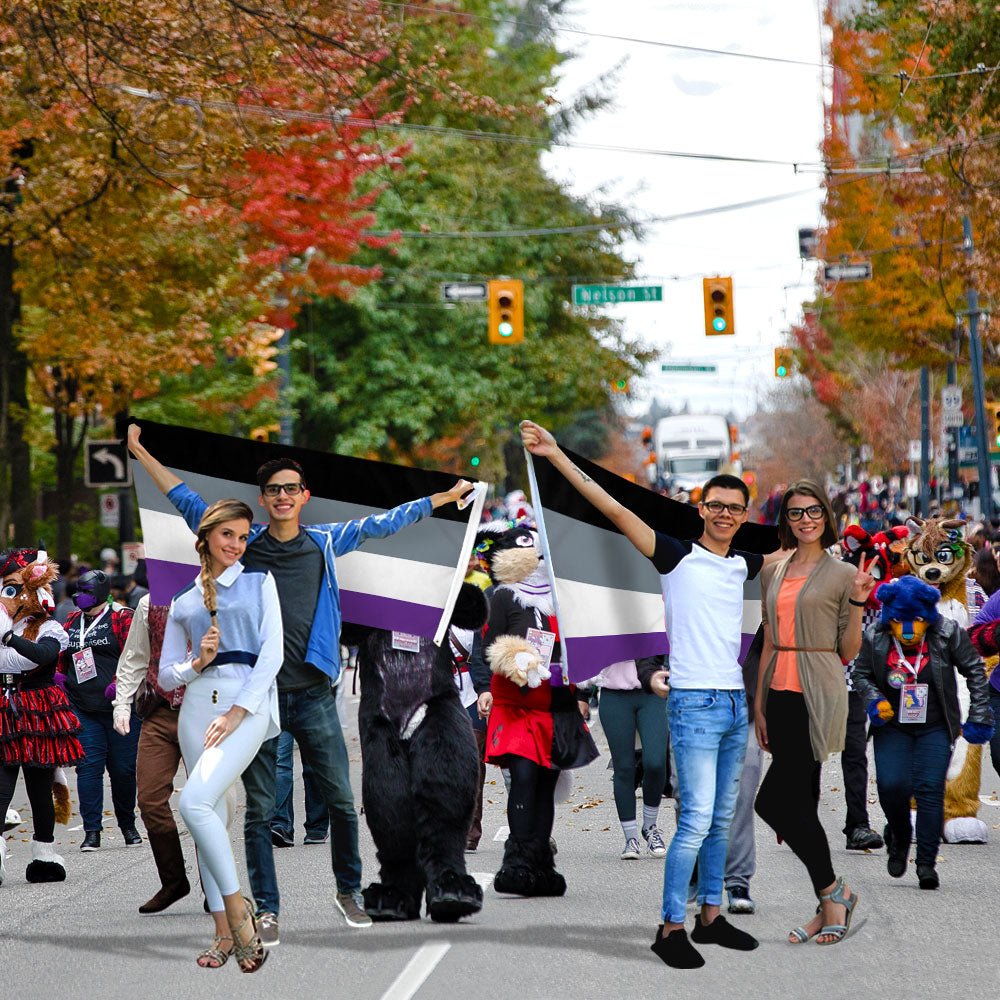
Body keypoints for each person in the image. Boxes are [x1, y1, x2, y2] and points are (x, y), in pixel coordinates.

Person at [127, 423, 472, 942]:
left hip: (313, 695)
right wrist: (138, 452)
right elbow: (185, 499)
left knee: (338, 798)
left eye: (292, 489)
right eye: (274, 491)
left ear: (305, 496)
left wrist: (442, 497)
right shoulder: (244, 545)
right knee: (261, 810)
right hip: (257, 699)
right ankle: (266, 909)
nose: (283, 496)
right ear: (262, 500)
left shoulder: (325, 543)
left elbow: (385, 523)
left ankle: (348, 892)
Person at [519, 419, 763, 970]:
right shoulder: (675, 556)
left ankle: (711, 916)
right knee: (697, 819)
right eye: (716, 505)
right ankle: (670, 926)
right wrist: (557, 455)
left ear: (745, 515)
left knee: (721, 817)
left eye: (735, 507)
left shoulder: (743, 564)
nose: (725, 514)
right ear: (702, 509)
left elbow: (797, 556)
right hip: (694, 703)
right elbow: (611, 507)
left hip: (733, 704)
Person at [158, 498, 279, 971]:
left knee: (193, 802)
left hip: (243, 707)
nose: (236, 544)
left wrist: (236, 712)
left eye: (243, 536)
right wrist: (197, 663)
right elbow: (166, 677)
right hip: (195, 710)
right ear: (207, 536)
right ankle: (222, 936)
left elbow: (272, 654)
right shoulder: (184, 600)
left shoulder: (259, 582)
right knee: (211, 816)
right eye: (228, 534)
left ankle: (239, 917)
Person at [754, 480, 874, 946]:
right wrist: (760, 704)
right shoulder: (773, 569)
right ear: (786, 520)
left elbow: (846, 650)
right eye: (796, 513)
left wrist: (860, 602)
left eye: (813, 512)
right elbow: (768, 638)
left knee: (771, 802)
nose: (805, 520)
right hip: (777, 692)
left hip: (817, 690)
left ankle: (833, 892)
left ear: (827, 517)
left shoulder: (843, 573)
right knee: (799, 804)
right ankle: (828, 902)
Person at [856, 575, 993, 889]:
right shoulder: (875, 636)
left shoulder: (947, 633)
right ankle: (900, 835)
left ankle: (927, 863)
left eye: (916, 621)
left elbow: (974, 669)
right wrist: (875, 701)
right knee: (892, 786)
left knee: (930, 790)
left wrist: (980, 713)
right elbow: (862, 675)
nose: (908, 629)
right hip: (892, 726)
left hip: (935, 726)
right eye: (901, 621)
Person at [0, 547, 81, 885]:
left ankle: (44, 854)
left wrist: (7, 639)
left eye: (15, 588)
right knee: (2, 788)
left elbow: (41, 657)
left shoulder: (49, 628)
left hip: (37, 710)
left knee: (39, 787)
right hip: (4, 708)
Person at [112, 595, 192, 913]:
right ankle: (173, 880)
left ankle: (216, 884)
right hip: (159, 712)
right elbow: (134, 658)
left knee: (206, 801)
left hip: (204, 712)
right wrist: (121, 703)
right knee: (149, 798)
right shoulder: (149, 603)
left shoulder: (221, 592)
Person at [60, 570, 141, 851]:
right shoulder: (72, 620)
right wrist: (60, 677)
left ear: (100, 591)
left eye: (85, 590)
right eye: (78, 590)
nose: (78, 595)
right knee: (88, 769)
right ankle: (92, 831)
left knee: (123, 771)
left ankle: (128, 826)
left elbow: (137, 656)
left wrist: (120, 684)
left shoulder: (123, 617)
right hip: (83, 707)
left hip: (121, 707)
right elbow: (63, 654)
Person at [592, 657, 669, 861]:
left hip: (652, 691)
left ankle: (650, 827)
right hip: (614, 693)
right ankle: (630, 837)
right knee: (624, 767)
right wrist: (583, 694)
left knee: (656, 761)